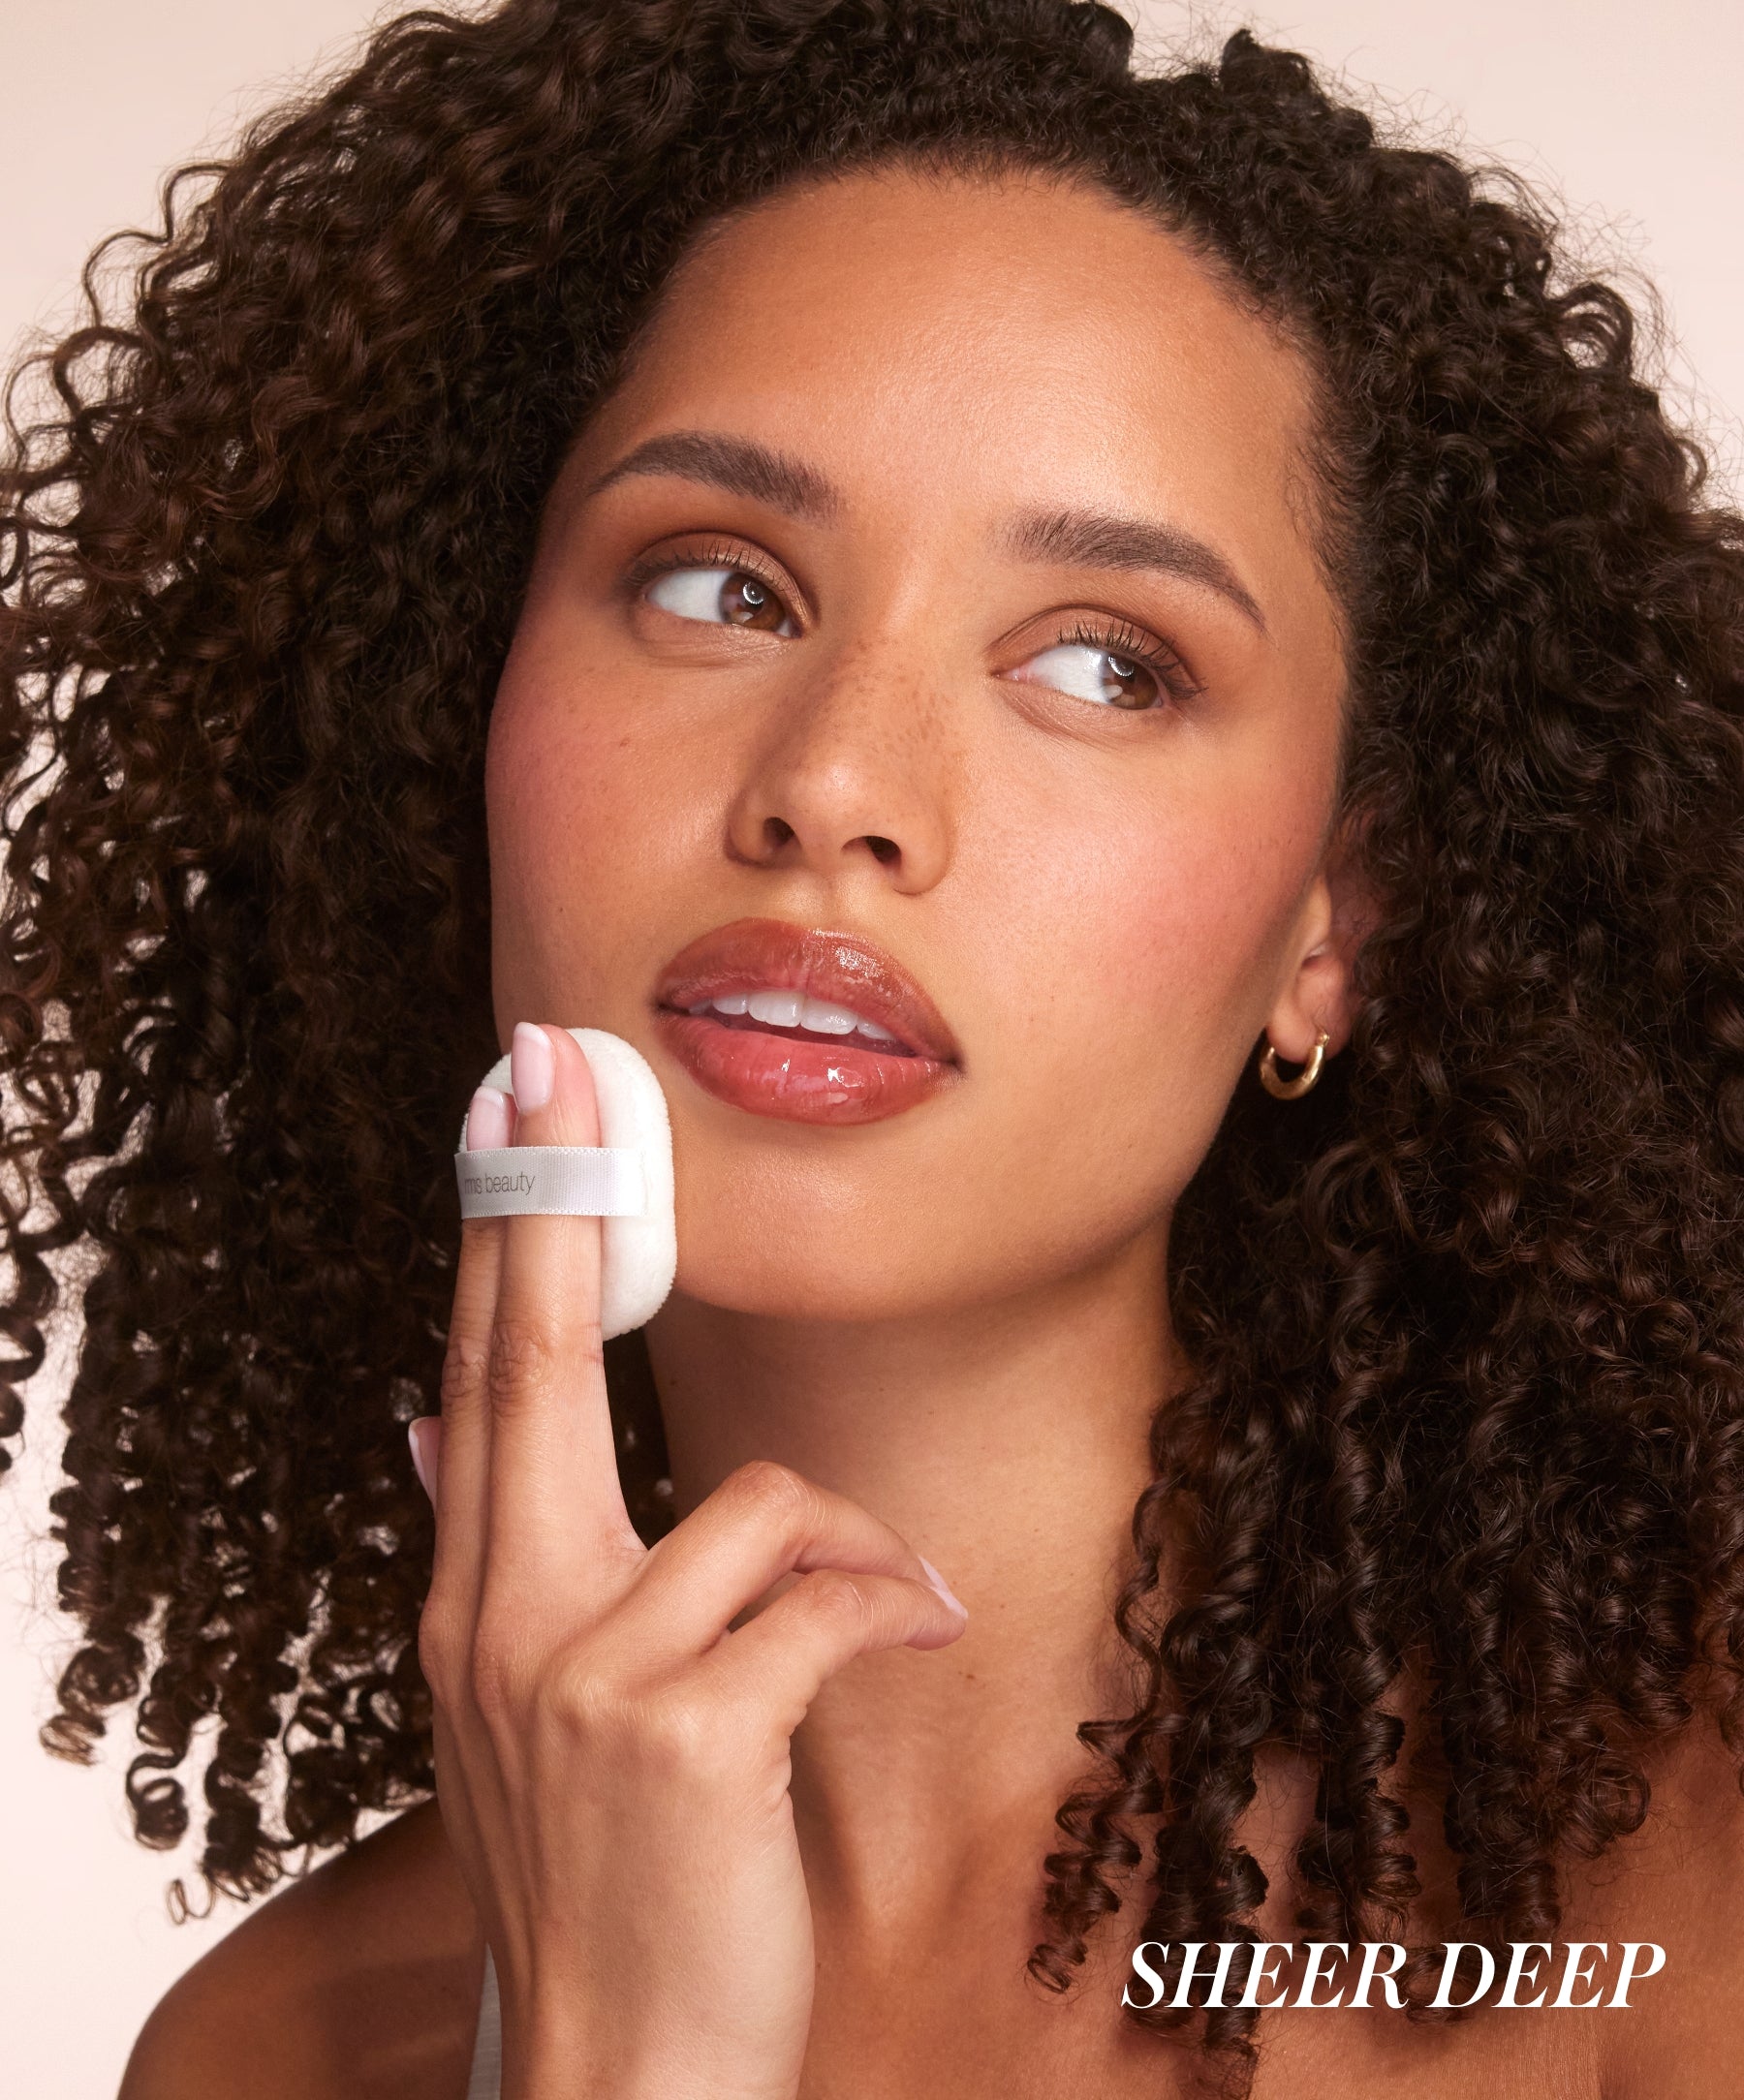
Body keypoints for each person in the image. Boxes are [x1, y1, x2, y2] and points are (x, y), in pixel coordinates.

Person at [5, 0, 1744, 2092]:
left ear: (1337, 927)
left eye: (1105, 660)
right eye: (718, 587)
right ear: (460, 719)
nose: (833, 783)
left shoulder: (1671, 1923)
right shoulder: (277, 2054)